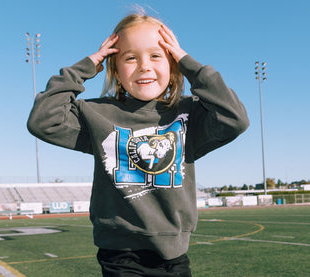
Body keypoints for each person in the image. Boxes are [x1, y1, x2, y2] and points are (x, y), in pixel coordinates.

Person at [27, 11, 249, 277]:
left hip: (174, 256)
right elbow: (42, 121)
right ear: (116, 71)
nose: (144, 66)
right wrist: (86, 67)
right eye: (130, 58)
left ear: (173, 64)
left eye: (156, 55)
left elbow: (235, 119)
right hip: (120, 256)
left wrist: (190, 65)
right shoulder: (96, 114)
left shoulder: (189, 114)